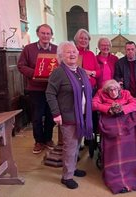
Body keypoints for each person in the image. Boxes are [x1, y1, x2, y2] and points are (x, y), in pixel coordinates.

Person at [92, 79, 136, 194]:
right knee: (115, 136)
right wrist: (108, 109)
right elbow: (94, 104)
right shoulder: (101, 93)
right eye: (111, 90)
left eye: (115, 89)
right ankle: (115, 174)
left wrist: (122, 109)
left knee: (129, 136)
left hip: (125, 120)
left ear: (119, 89)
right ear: (106, 90)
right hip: (109, 120)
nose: (114, 92)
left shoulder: (126, 93)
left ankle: (132, 170)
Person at [46, 41, 93, 189]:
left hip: (81, 116)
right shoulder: (58, 72)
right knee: (70, 147)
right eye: (68, 52)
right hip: (68, 117)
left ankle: (72, 168)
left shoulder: (79, 70)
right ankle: (67, 177)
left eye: (74, 51)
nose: (72, 54)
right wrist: (56, 113)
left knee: (77, 145)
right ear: (61, 56)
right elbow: (50, 93)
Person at [17, 24, 56, 154]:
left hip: (52, 89)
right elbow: (21, 66)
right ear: (38, 34)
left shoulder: (56, 49)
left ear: (51, 35)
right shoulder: (29, 49)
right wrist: (36, 73)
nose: (45, 36)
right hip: (35, 89)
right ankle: (39, 141)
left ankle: (48, 139)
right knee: (37, 116)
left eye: (48, 33)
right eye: (43, 33)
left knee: (51, 115)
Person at [114, 41, 136, 142]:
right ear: (125, 50)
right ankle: (127, 139)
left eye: (132, 49)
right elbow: (117, 78)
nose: (130, 51)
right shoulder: (120, 63)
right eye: (128, 49)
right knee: (126, 119)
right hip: (126, 98)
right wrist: (120, 84)